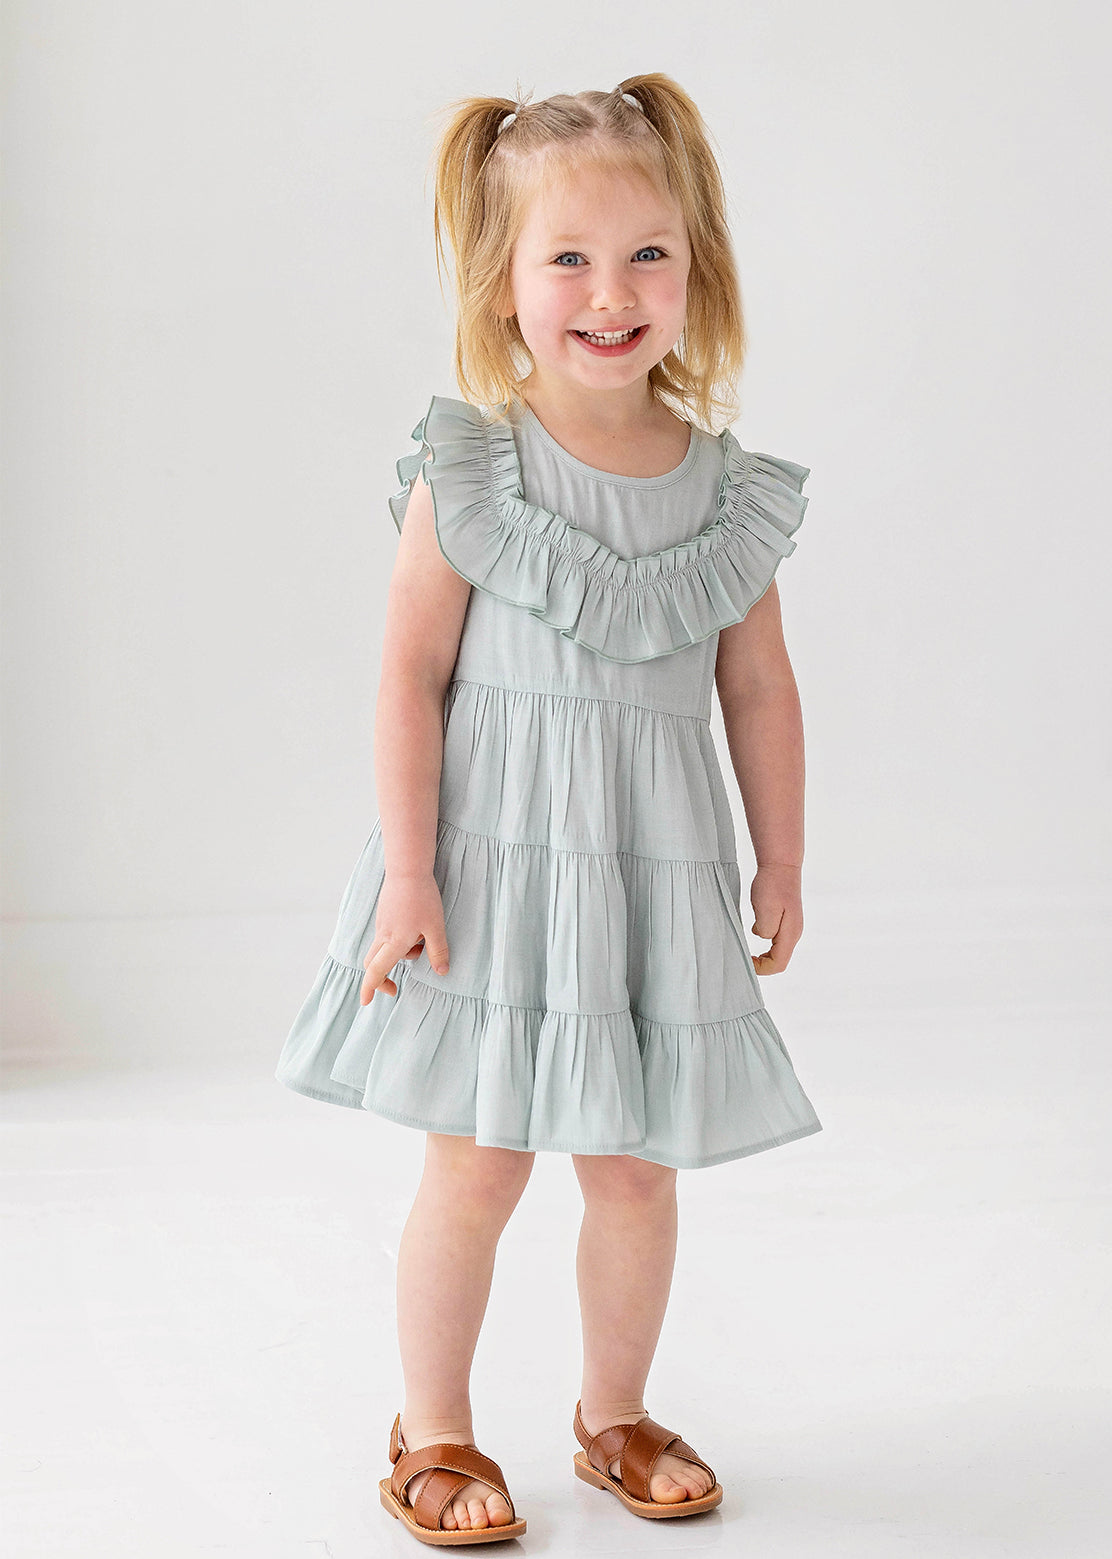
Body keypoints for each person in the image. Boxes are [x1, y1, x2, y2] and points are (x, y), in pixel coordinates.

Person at [276, 71, 823, 1546]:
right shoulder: (475, 468)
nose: (610, 292)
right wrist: (407, 871)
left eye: (648, 252)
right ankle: (434, 1429)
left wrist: (778, 856)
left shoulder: (722, 492)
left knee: (636, 1170)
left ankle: (614, 1411)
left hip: (647, 879)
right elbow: (406, 676)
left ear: (695, 263)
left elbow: (758, 688)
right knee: (478, 1162)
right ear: (504, 283)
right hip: (494, 876)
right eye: (567, 259)